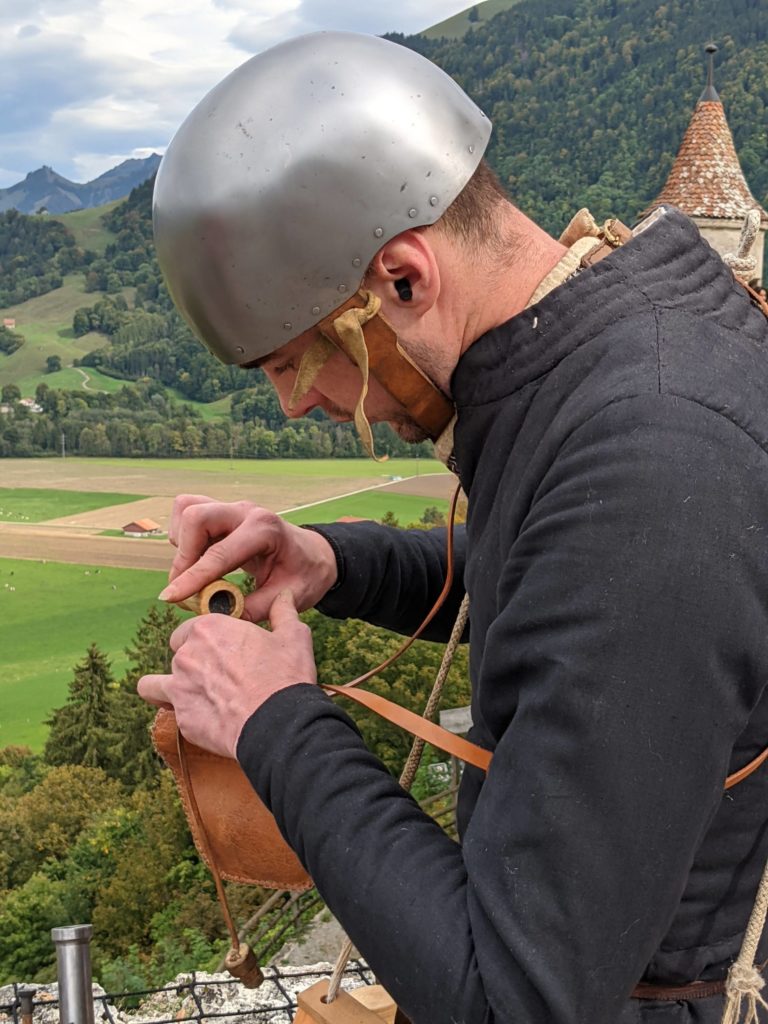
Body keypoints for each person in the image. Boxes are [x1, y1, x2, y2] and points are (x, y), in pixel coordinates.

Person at [138, 31, 768, 1024]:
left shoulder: (651, 456)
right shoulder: (614, 369)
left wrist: (277, 725)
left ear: (400, 280)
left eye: (299, 365)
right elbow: (564, 594)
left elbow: (517, 998)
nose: (301, 408)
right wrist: (331, 562)